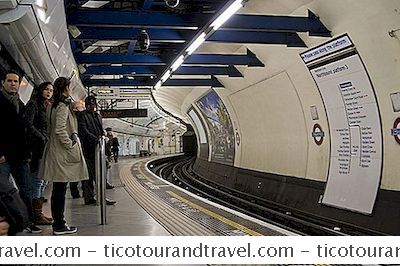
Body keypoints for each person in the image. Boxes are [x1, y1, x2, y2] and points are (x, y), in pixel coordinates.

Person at [40, 77, 89, 235]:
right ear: (66, 88)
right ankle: (59, 225)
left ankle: (59, 223)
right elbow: (59, 129)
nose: (71, 90)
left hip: (55, 150)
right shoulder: (62, 106)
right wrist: (70, 144)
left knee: (58, 189)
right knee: (60, 189)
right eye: (69, 87)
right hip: (61, 153)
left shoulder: (53, 105)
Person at [0, 69, 41, 233]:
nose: (12, 84)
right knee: (3, 192)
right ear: (3, 82)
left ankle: (28, 221)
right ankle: (7, 222)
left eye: (15, 81)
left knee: (27, 189)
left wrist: (28, 152)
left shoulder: (21, 104)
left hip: (20, 156)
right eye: (9, 81)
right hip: (3, 156)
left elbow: (23, 131)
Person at [23, 82, 53, 225]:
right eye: (46, 89)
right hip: (36, 148)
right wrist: (42, 137)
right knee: (38, 180)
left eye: (51, 90)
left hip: (44, 147)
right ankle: (36, 216)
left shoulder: (45, 105)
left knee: (43, 181)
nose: (49, 92)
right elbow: (28, 124)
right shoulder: (33, 104)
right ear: (40, 90)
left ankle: (38, 214)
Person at [77, 96, 116, 205]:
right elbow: (83, 131)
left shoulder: (98, 116)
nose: (91, 106)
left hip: (99, 149)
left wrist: (103, 141)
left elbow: (100, 130)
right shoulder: (81, 115)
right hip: (87, 149)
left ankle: (100, 196)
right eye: (89, 104)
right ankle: (89, 197)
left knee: (100, 174)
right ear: (85, 105)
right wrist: (96, 139)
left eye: (93, 104)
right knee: (89, 175)